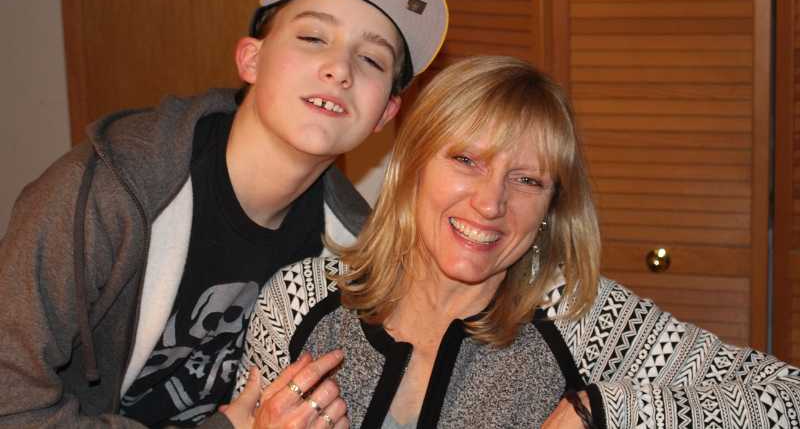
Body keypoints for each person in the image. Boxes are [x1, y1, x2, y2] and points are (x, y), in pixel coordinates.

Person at [0, 0, 448, 428]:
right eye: (313, 37)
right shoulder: (110, 191)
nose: (339, 69)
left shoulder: (354, 251)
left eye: (372, 60)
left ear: (385, 113)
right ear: (251, 60)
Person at [235, 55, 800, 429]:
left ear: (552, 208)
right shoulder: (299, 301)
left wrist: (603, 412)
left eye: (527, 180)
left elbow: (788, 398)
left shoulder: (582, 319)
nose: (491, 203)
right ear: (412, 168)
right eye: (466, 160)